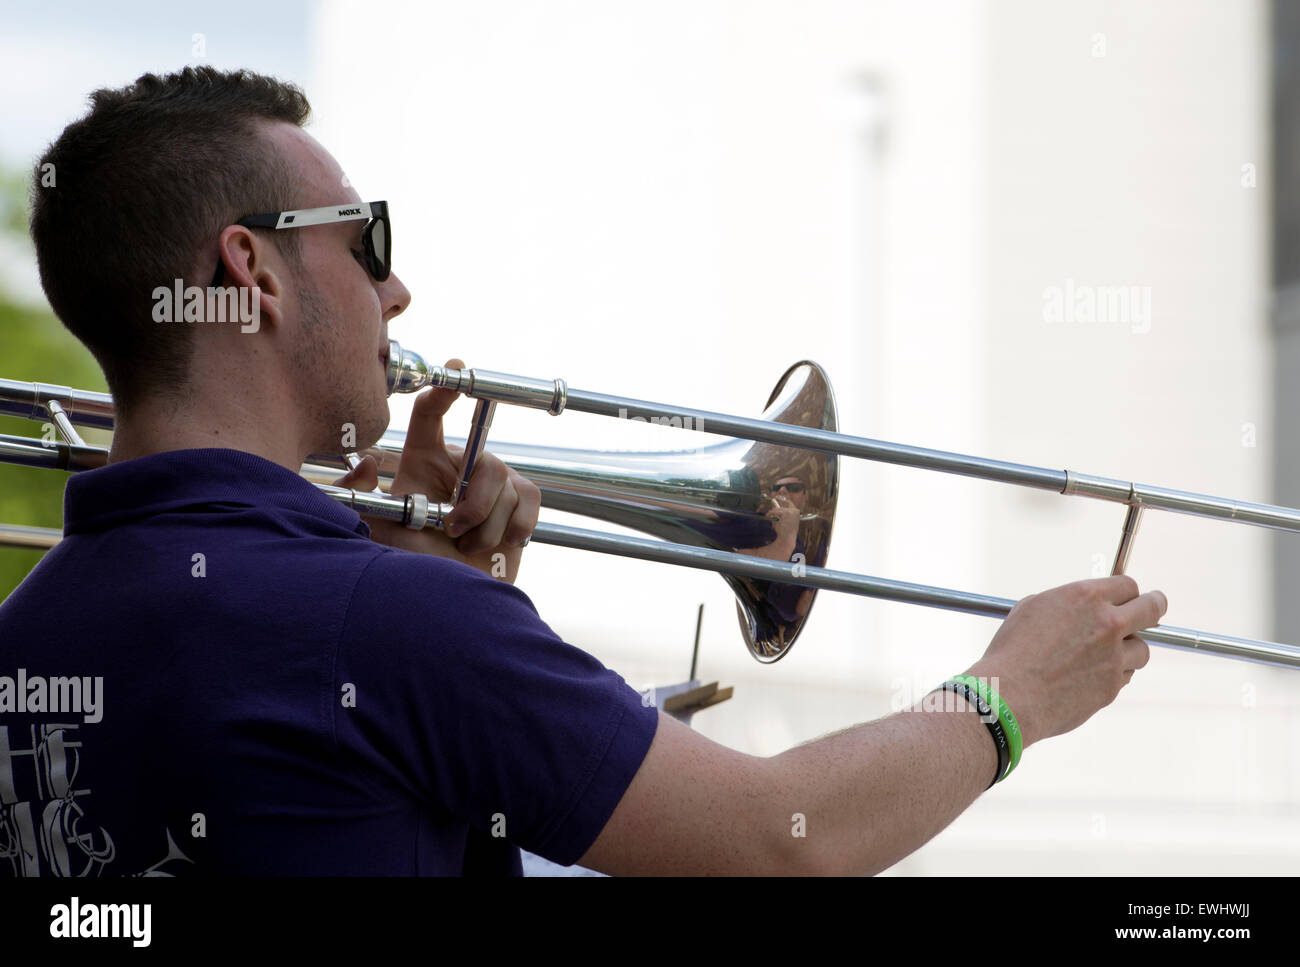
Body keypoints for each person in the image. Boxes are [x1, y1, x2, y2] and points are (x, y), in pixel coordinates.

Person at [0, 67, 1165, 877]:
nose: (395, 292)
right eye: (367, 243)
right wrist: (1007, 697)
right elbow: (783, 841)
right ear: (249, 269)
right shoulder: (385, 622)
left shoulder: (27, 630)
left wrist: (416, 589)